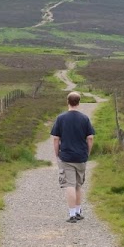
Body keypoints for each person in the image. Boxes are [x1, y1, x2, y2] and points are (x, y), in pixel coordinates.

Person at [50, 91, 95, 223]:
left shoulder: (61, 118)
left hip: (66, 156)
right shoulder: (85, 118)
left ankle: (71, 214)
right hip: (81, 156)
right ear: (79, 103)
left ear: (67, 102)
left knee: (69, 184)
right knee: (78, 185)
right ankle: (78, 211)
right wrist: (88, 153)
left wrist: (57, 154)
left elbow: (56, 139)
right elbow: (90, 138)